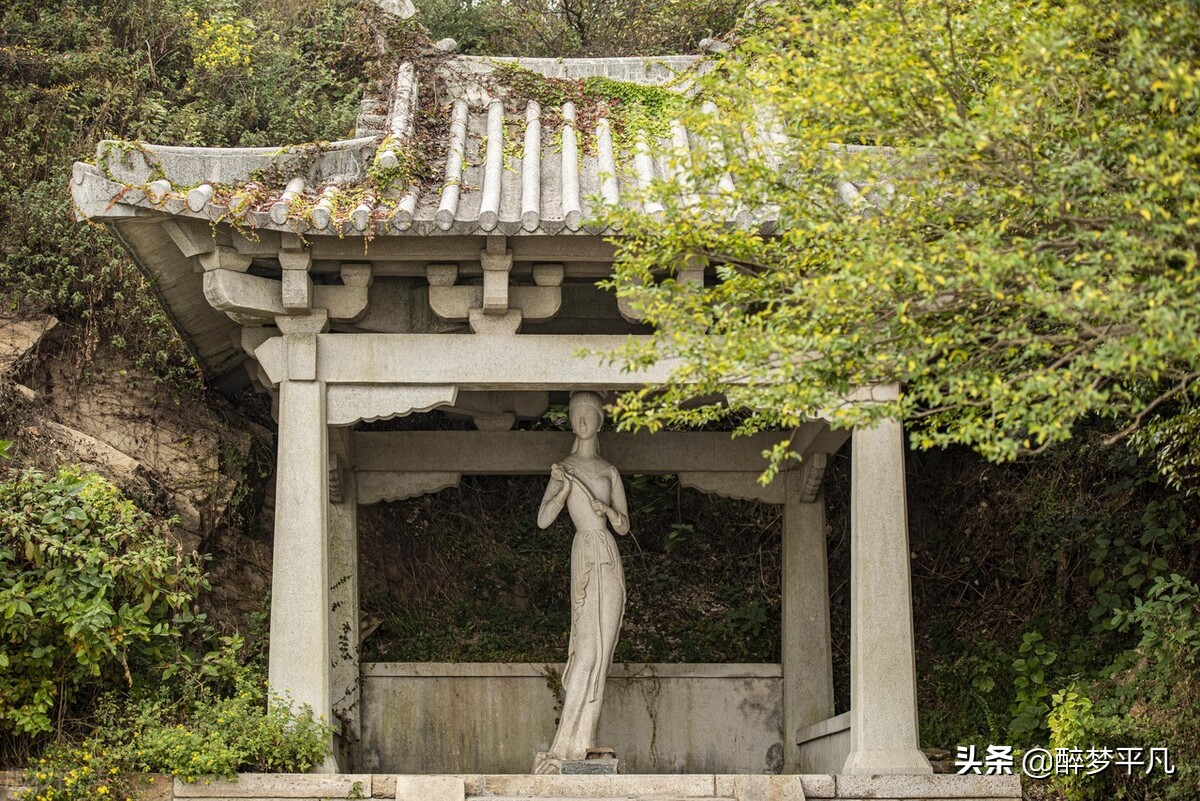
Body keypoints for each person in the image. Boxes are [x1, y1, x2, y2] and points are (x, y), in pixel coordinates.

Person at [533, 391, 630, 773]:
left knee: (604, 651)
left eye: (588, 415)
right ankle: (564, 744)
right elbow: (543, 519)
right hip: (584, 555)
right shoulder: (565, 468)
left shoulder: (608, 472)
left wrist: (606, 509)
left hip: (608, 554)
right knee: (586, 649)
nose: (581, 421)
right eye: (575, 416)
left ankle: (586, 739)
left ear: (599, 421)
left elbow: (624, 525)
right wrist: (560, 490)